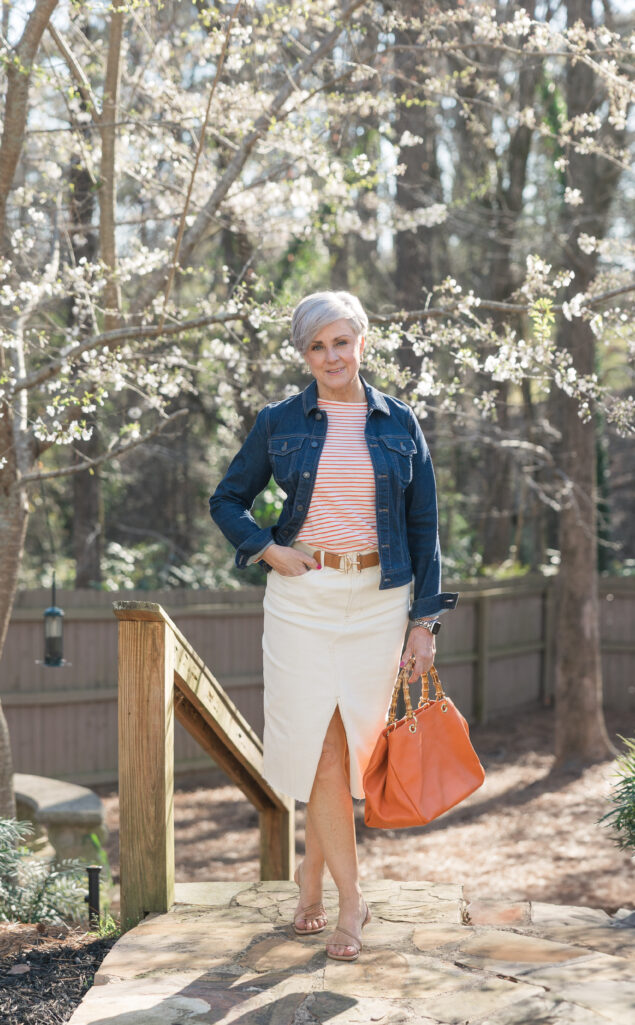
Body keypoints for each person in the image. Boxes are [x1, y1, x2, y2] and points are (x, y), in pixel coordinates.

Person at [209, 291, 458, 962]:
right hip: (302, 598)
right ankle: (353, 901)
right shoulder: (279, 421)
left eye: (341, 341)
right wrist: (266, 547)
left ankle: (311, 876)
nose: (331, 356)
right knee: (316, 749)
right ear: (303, 354)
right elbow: (226, 497)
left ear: (362, 343)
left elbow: (425, 526)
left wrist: (422, 622)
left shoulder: (399, 422)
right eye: (317, 346)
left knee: (353, 749)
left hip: (381, 597)